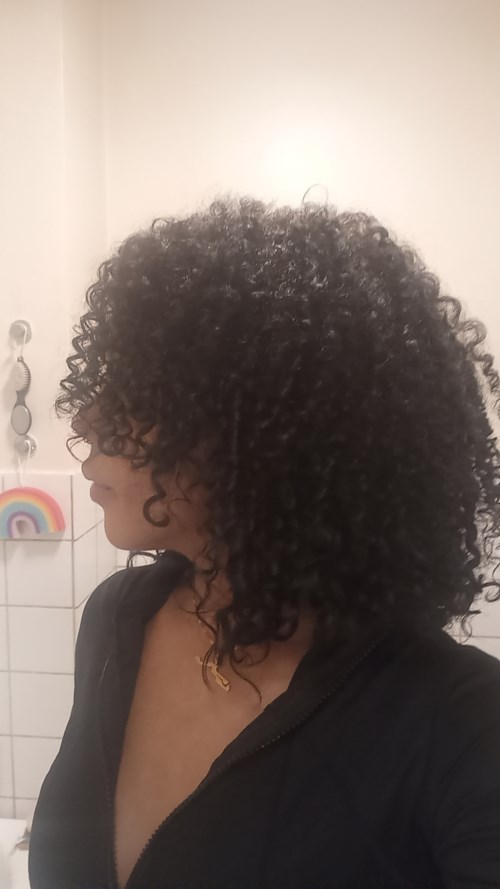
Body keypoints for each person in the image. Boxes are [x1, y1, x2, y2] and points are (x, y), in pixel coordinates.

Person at [29, 196, 500, 889]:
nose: (88, 420)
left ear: (264, 437)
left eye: (143, 392)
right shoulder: (118, 617)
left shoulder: (457, 723)